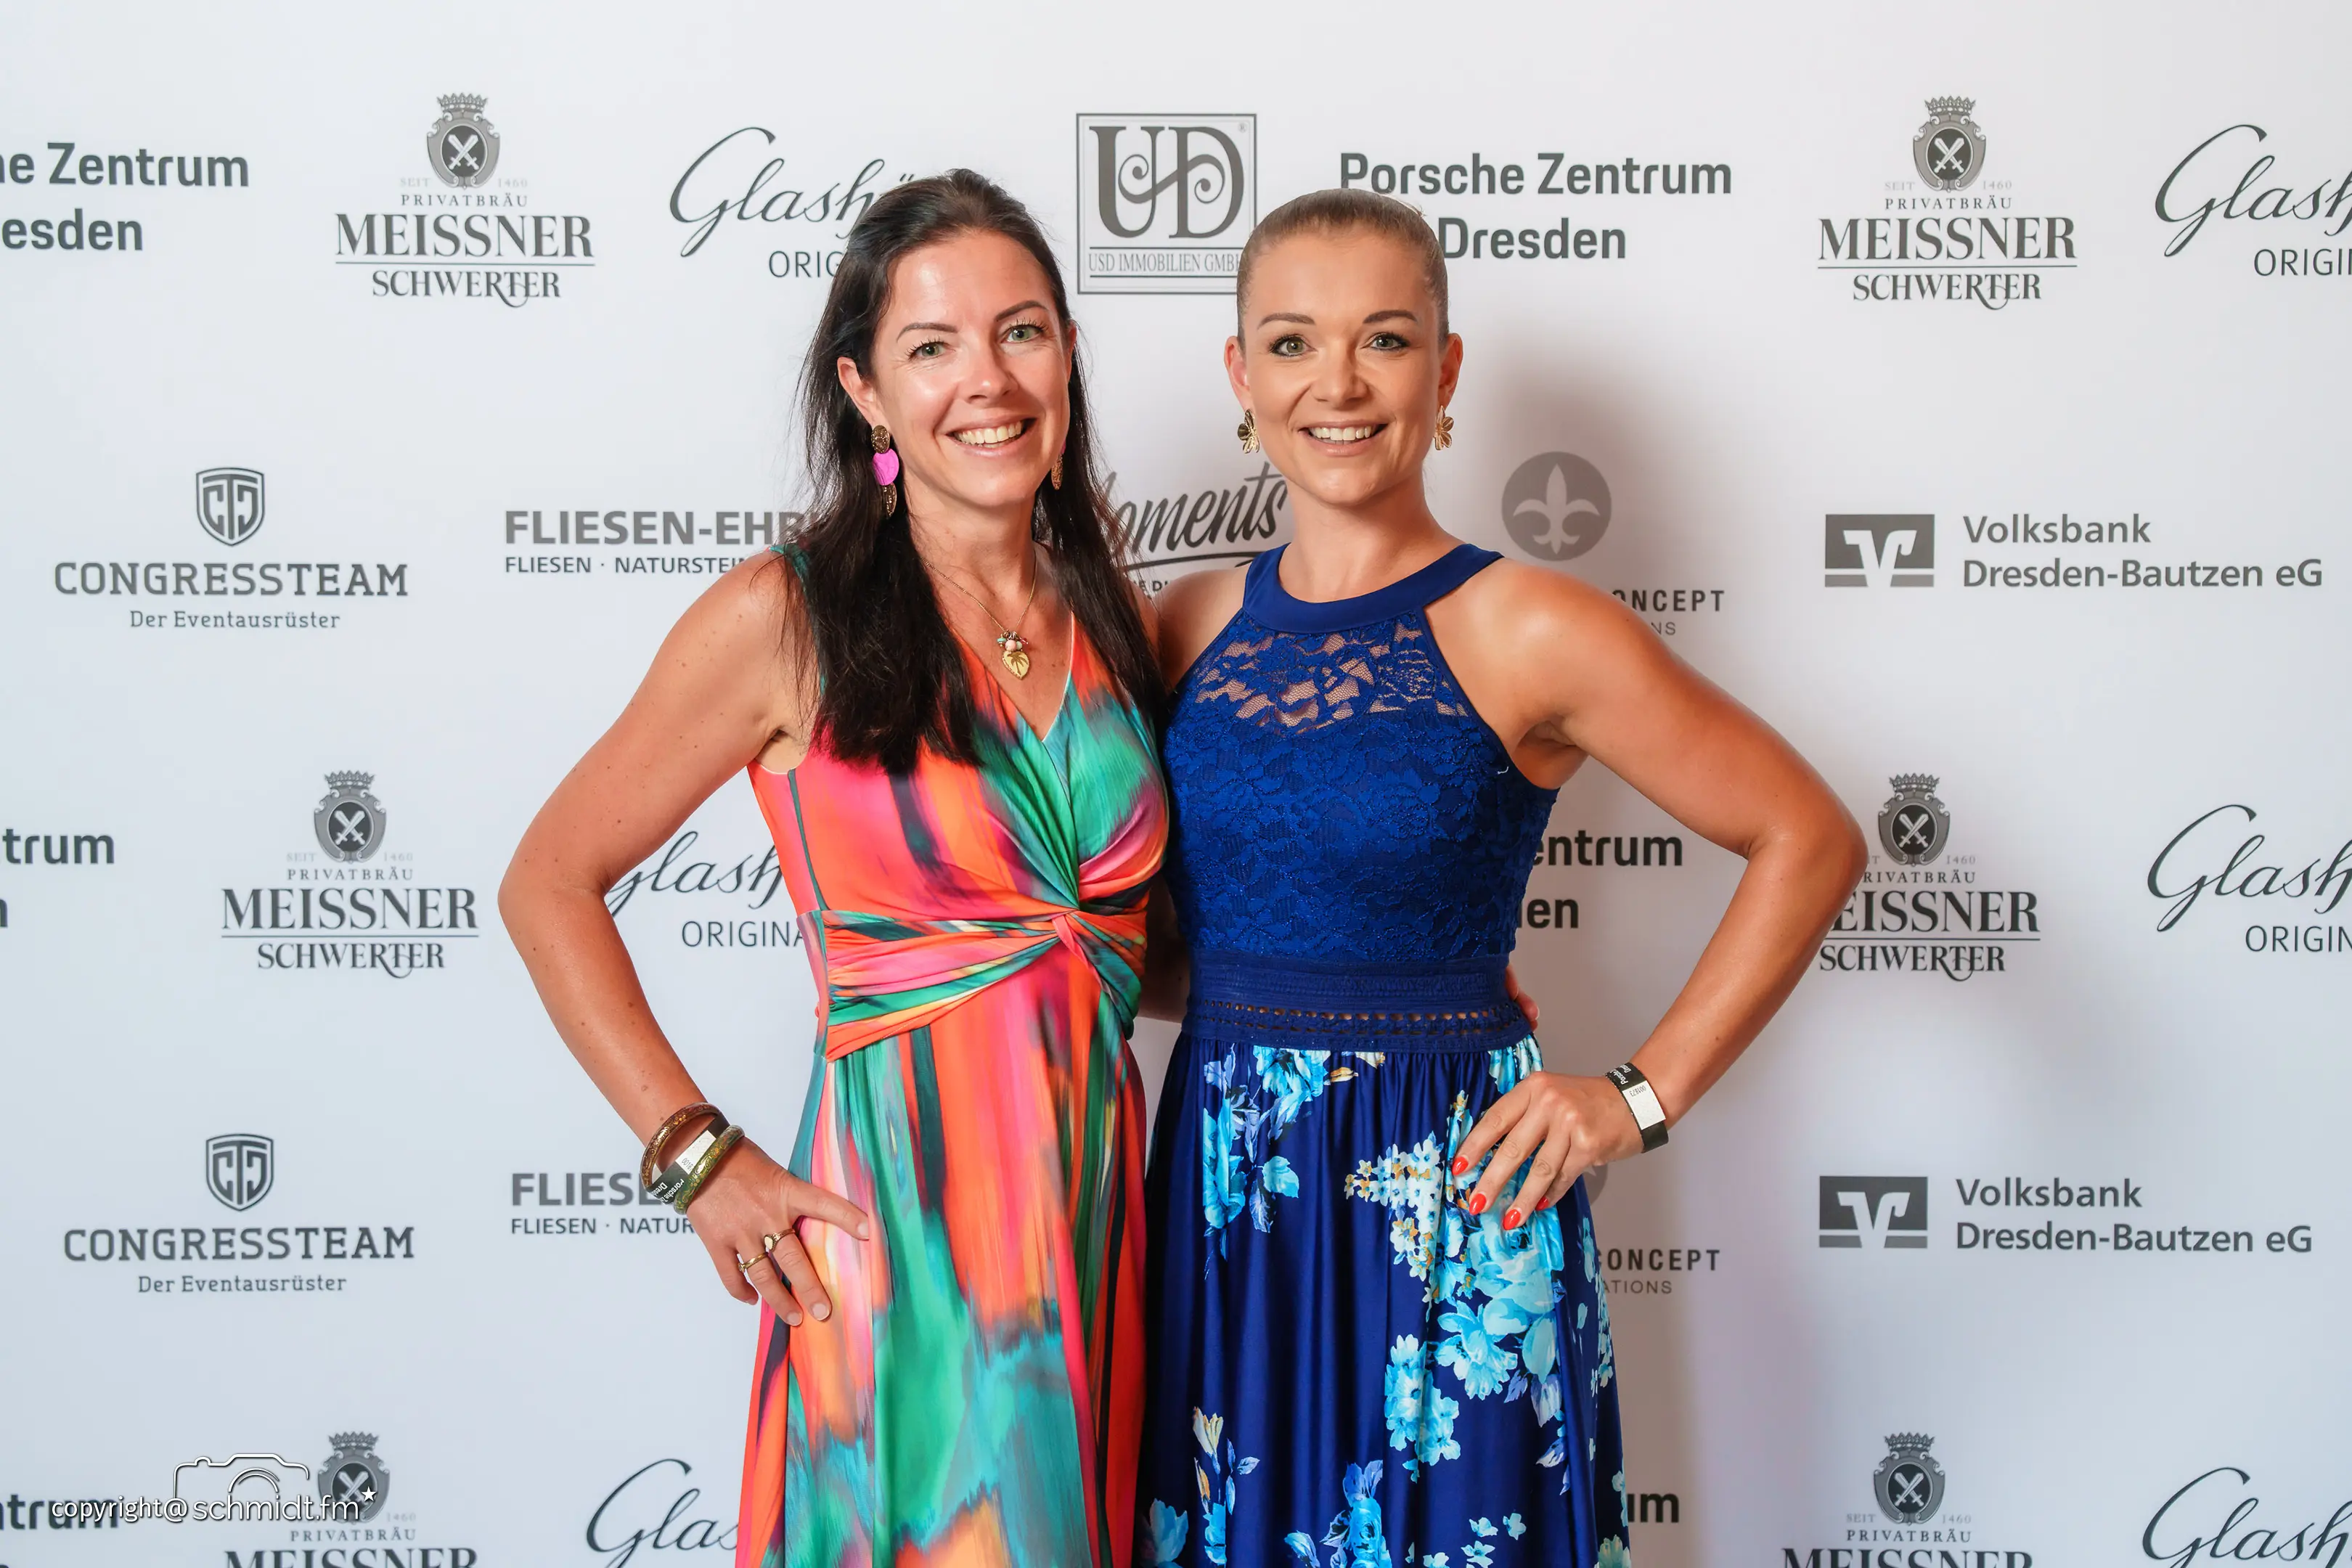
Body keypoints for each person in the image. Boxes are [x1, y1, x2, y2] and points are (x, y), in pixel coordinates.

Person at [1134, 189, 1867, 1568]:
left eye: (1385, 339)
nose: (1338, 384)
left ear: (1446, 370)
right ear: (1241, 375)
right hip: (1229, 1200)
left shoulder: (1533, 625)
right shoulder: (1184, 623)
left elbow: (1808, 837)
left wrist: (1636, 1097)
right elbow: (1186, 949)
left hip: (1451, 1199)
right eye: (1291, 343)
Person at [499, 171, 1167, 1568]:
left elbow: (1123, 953)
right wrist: (699, 1158)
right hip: (902, 1237)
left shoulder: (1120, 621)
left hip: (1097, 1224)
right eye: (932, 347)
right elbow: (547, 880)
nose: (987, 380)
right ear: (866, 391)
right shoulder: (785, 616)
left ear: (1067, 354)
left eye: (1022, 331)